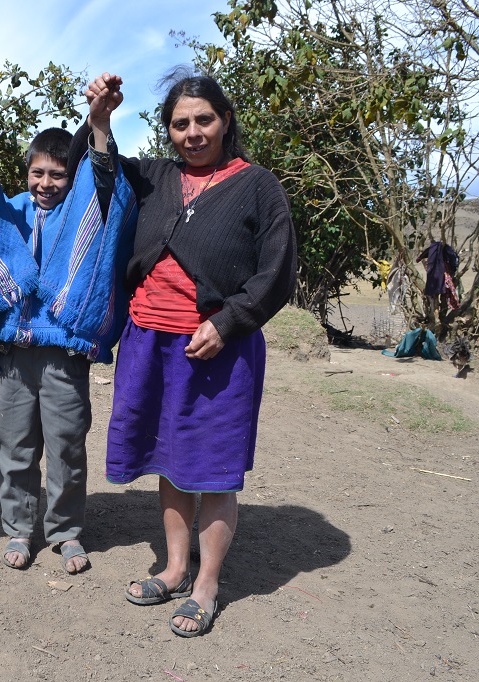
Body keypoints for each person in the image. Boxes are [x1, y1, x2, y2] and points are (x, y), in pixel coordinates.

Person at [81, 70, 297, 636]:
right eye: (180, 123)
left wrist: (228, 323)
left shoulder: (257, 186)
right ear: (168, 130)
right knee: (170, 461)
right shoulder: (154, 178)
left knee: (214, 470)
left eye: (204, 119)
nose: (193, 132)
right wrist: (100, 119)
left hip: (218, 352)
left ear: (226, 120)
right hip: (148, 342)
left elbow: (278, 273)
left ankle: (207, 586)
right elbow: (102, 177)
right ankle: (176, 568)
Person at [0, 78, 135, 574]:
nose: (45, 184)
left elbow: (105, 179)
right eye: (37, 172)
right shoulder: (10, 210)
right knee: (13, 446)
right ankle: (19, 530)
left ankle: (65, 532)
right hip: (17, 354)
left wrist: (99, 123)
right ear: (26, 172)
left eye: (58, 174)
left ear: (71, 178)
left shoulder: (84, 211)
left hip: (64, 355)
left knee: (66, 446)